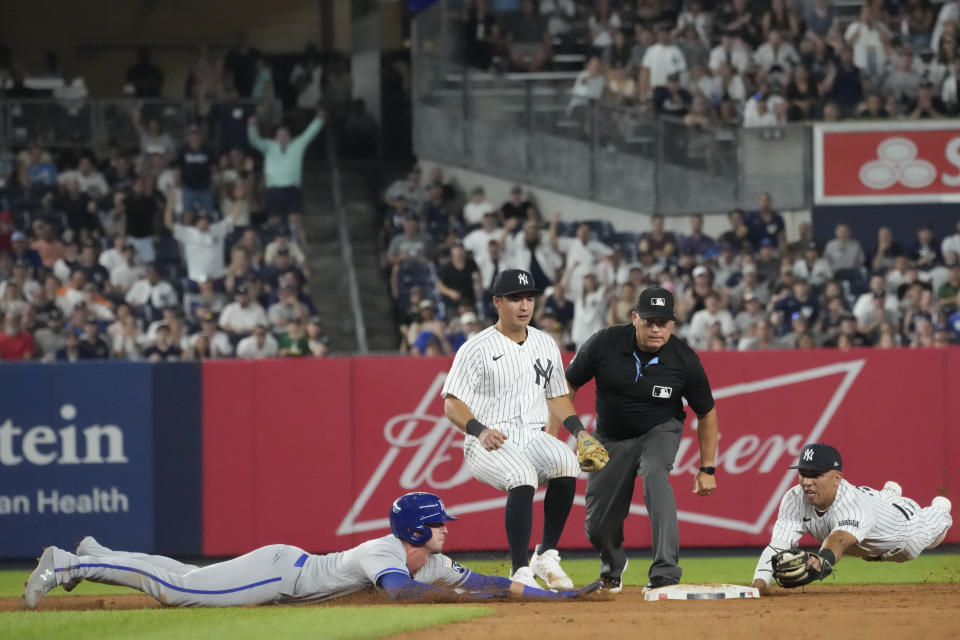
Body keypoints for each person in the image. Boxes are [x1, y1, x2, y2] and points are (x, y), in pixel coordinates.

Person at [24, 492, 600, 609]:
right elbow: (400, 596)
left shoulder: (431, 559)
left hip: (284, 566)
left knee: (182, 574)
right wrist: (451, 600)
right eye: (438, 525)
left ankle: (96, 549)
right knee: (178, 591)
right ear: (415, 530)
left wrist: (561, 595)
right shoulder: (386, 552)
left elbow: (488, 583)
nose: (447, 530)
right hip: (281, 576)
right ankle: (70, 562)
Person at [441, 269, 607, 589]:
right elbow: (451, 404)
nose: (524, 305)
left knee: (567, 462)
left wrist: (580, 433)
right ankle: (519, 571)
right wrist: (479, 430)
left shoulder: (545, 344)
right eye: (515, 298)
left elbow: (557, 397)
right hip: (488, 439)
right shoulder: (475, 348)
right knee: (522, 475)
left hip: (532, 433)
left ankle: (545, 556)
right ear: (497, 302)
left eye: (529, 298)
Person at [561, 286, 718, 591]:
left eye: (664, 322)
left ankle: (665, 572)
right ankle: (613, 565)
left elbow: (707, 413)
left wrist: (707, 467)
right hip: (608, 437)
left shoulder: (684, 360)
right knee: (596, 525)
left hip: (659, 429)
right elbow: (566, 385)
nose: (656, 329)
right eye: (649, 321)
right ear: (634, 317)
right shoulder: (604, 343)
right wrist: (573, 433)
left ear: (673, 324)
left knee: (655, 477)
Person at [751, 443, 953, 593]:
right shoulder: (794, 499)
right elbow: (778, 544)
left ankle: (939, 508)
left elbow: (839, 539)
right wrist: (760, 583)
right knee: (878, 502)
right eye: (803, 474)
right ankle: (889, 493)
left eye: (815, 474)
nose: (807, 482)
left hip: (905, 530)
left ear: (837, 478)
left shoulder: (852, 504)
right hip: (872, 508)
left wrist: (821, 561)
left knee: (934, 532)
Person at [247, 109, 325, 245]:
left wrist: (319, 120)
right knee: (273, 221)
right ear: (275, 137)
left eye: (285, 134)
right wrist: (252, 126)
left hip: (292, 188)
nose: (282, 137)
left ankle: (304, 248)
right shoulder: (268, 146)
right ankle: (272, 248)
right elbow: (254, 141)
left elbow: (309, 134)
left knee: (296, 220)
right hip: (273, 189)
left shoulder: (297, 145)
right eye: (279, 134)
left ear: (290, 136)